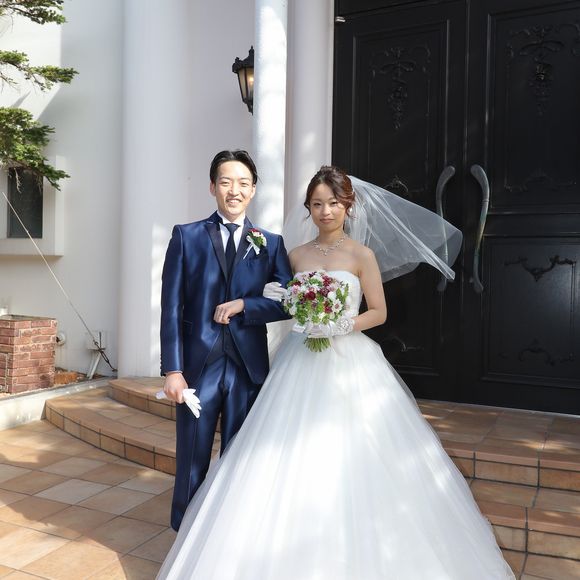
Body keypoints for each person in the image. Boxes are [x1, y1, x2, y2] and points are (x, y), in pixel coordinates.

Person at [157, 166, 515, 579]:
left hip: (350, 361)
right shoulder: (294, 254)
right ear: (308, 209)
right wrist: (285, 308)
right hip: (298, 359)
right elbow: (282, 301)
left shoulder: (362, 256)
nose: (325, 211)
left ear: (348, 206)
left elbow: (379, 312)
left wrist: (341, 324)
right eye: (316, 204)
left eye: (333, 203)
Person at [160, 149, 292, 532]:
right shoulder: (186, 236)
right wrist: (172, 370)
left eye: (243, 183)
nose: (234, 190)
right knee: (192, 459)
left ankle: (228, 535)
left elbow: (288, 302)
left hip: (248, 369)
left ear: (253, 190)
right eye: (226, 182)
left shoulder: (270, 243)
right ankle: (183, 538)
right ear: (213, 187)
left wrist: (245, 305)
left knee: (239, 460)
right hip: (198, 369)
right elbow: (171, 307)